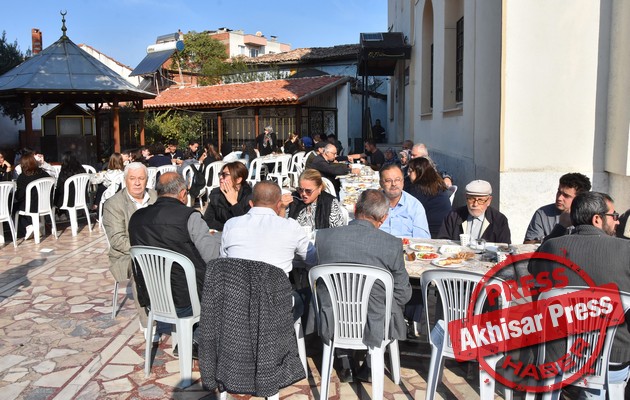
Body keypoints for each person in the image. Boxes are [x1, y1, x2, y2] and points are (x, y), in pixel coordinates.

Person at [528, 192, 629, 399]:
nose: (617, 221)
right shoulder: (626, 250)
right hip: (611, 359)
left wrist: (560, 226)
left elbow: (533, 267)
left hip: (558, 356)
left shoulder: (552, 246)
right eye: (614, 216)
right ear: (597, 219)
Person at [315, 189, 412, 382]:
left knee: (338, 295)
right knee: (390, 303)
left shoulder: (323, 237)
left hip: (334, 316)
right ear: (383, 218)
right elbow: (403, 293)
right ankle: (371, 361)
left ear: (354, 208)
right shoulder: (392, 244)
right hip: (374, 319)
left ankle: (345, 360)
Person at [128, 172, 221, 355]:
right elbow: (212, 257)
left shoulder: (137, 218)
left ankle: (192, 337)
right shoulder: (189, 217)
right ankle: (197, 339)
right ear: (183, 193)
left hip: (154, 298)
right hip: (186, 299)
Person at [102, 162, 158, 330]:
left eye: (141, 178)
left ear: (147, 180)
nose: (137, 183)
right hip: (127, 254)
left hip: (159, 250)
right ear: (125, 180)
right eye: (132, 178)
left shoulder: (156, 197)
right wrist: (146, 251)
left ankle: (179, 315)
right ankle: (148, 324)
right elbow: (118, 240)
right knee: (140, 269)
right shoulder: (114, 204)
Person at [221, 180, 316, 276]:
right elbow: (312, 259)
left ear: (251, 203)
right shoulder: (291, 227)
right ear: (279, 205)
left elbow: (223, 260)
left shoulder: (231, 224)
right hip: (276, 284)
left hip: (237, 284)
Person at [523, 172, 591, 243]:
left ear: (579, 199)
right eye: (559, 192)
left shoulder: (590, 216)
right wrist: (560, 227)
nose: (559, 198)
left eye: (566, 196)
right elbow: (528, 245)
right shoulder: (542, 213)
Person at [437, 179, 511, 243]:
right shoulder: (453, 216)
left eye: (480, 200)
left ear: (489, 201)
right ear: (466, 198)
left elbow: (504, 248)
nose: (475, 204)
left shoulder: (499, 220)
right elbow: (442, 242)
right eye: (471, 199)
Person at [405, 157, 452, 238]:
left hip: (433, 231)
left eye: (410, 171)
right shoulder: (435, 183)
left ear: (419, 172)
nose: (408, 174)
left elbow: (410, 208)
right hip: (446, 227)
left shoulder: (421, 189)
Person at [379, 164, 430, 238]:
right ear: (381, 183)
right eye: (388, 181)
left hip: (407, 244)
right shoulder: (371, 203)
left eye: (397, 180)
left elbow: (422, 238)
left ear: (403, 181)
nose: (393, 184)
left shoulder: (414, 206)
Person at [203, 161, 252, 232]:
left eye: (225, 175)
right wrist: (227, 227)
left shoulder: (248, 197)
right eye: (220, 174)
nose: (220, 177)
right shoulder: (216, 194)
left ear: (238, 180)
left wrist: (234, 203)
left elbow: (245, 226)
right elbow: (207, 221)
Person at [13, 152, 51, 238]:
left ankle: (28, 226)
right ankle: (36, 224)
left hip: (31, 206)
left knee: (15, 207)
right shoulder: (44, 174)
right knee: (26, 202)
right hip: (46, 204)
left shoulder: (22, 177)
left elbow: (19, 196)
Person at [53, 151, 87, 216]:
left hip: (68, 200)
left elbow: (59, 186)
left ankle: (60, 214)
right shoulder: (82, 169)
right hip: (82, 198)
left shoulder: (64, 171)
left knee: (56, 194)